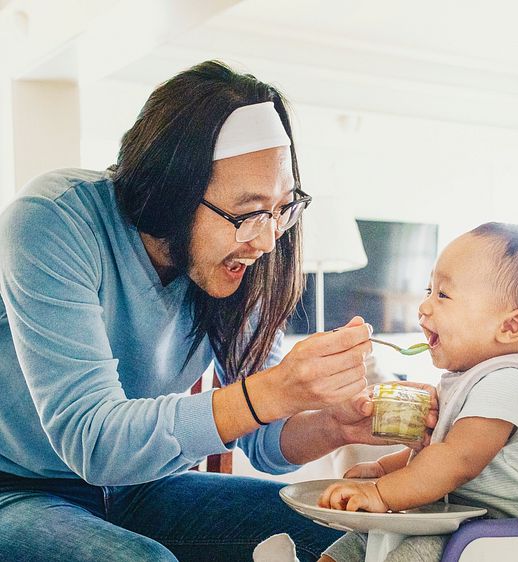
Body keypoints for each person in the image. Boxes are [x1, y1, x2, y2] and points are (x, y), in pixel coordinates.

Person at [0, 60, 434, 561]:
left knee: (353, 536)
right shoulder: (53, 223)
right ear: (170, 190)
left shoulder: (231, 265)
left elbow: (264, 444)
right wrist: (271, 391)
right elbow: (94, 444)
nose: (268, 240)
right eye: (248, 213)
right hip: (18, 488)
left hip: (142, 486)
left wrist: (335, 425)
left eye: (281, 210)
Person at [316, 222, 518, 562]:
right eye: (428, 290)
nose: (424, 307)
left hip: (505, 533)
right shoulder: (464, 378)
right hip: (457, 518)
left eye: (443, 295)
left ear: (510, 326)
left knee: (412, 553)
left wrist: (382, 492)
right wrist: (384, 469)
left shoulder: (508, 380)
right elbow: (434, 450)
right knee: (359, 538)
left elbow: (457, 459)